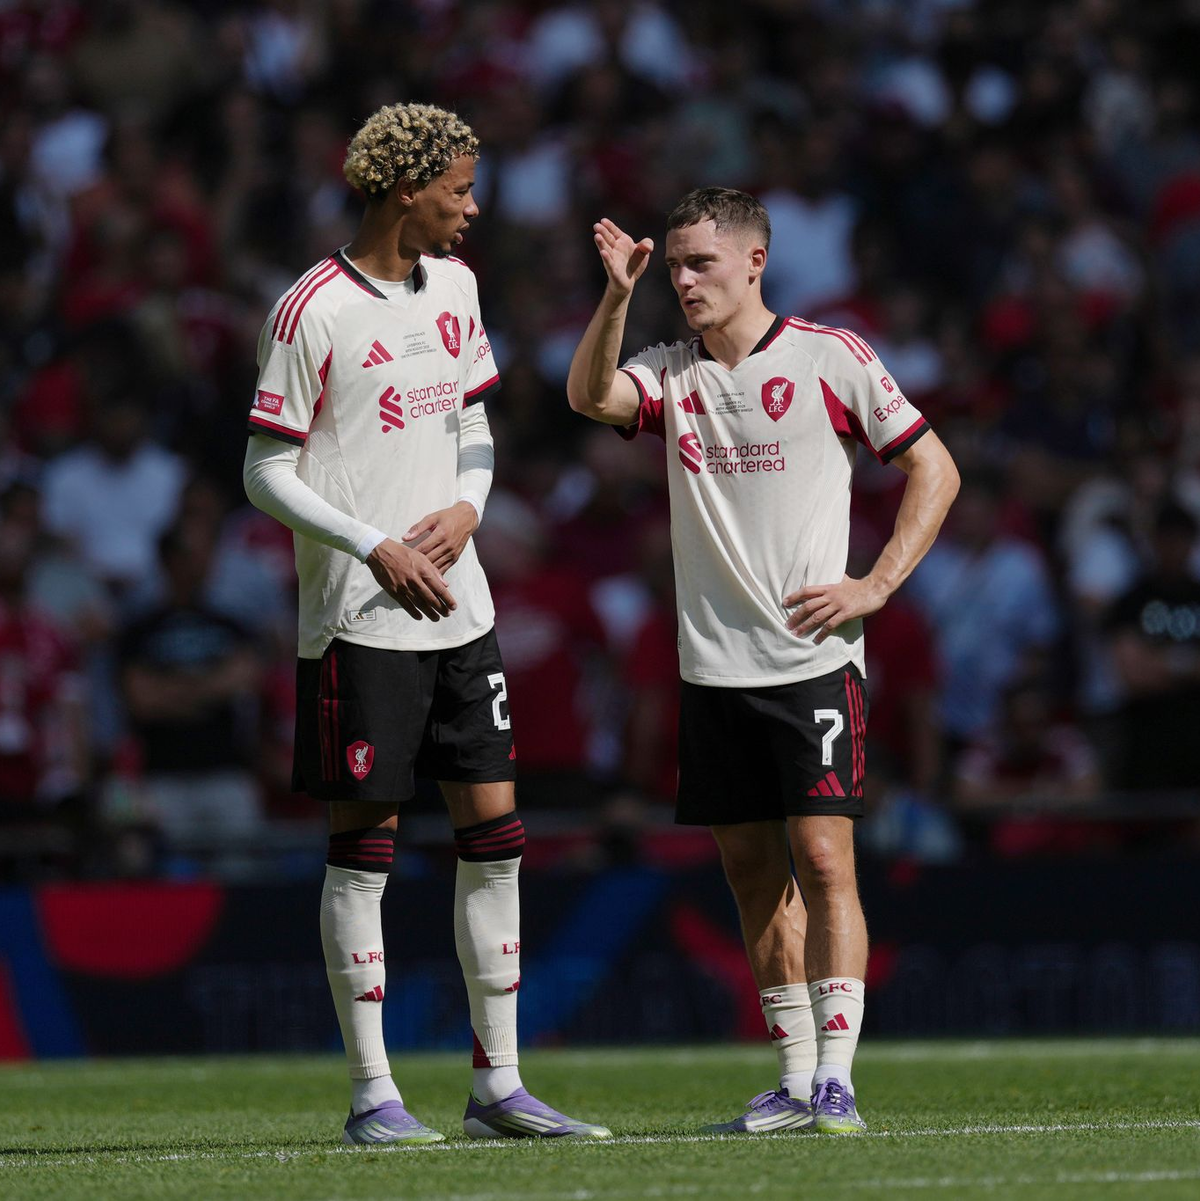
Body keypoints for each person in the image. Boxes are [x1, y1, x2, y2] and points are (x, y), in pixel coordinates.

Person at [243, 102, 609, 1146]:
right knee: (365, 849)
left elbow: (471, 423)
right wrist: (374, 544)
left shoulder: (458, 286)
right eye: (459, 187)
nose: (473, 206)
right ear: (407, 190)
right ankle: (373, 1096)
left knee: (496, 840)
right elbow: (263, 470)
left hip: (463, 607)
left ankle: (499, 1084)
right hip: (362, 616)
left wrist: (467, 508)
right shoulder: (310, 309)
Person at [566, 189, 959, 1134]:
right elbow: (588, 396)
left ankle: (838, 1077)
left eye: (702, 263)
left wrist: (873, 585)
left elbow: (935, 468)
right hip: (712, 670)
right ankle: (791, 1078)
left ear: (755, 261)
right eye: (675, 266)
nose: (685, 281)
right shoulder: (671, 372)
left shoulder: (832, 357)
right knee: (750, 873)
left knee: (825, 859)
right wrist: (615, 298)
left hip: (812, 662)